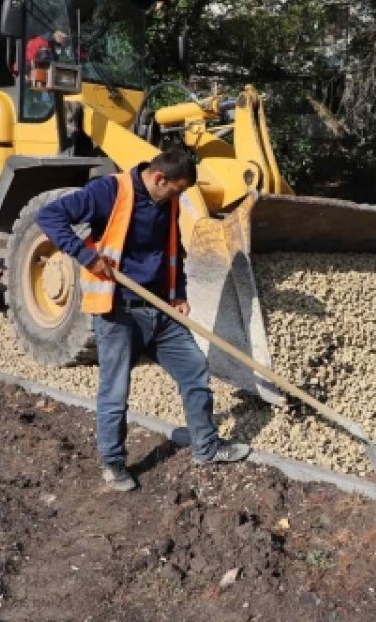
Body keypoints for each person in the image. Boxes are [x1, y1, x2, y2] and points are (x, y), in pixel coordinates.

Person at [37, 147, 250, 492]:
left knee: (195, 369)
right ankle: (113, 462)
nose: (178, 197)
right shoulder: (109, 191)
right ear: (159, 178)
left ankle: (206, 448)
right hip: (119, 311)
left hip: (161, 310)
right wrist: (85, 255)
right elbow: (49, 216)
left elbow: (171, 250)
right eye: (176, 190)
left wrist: (178, 292)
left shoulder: (168, 201)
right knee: (116, 389)